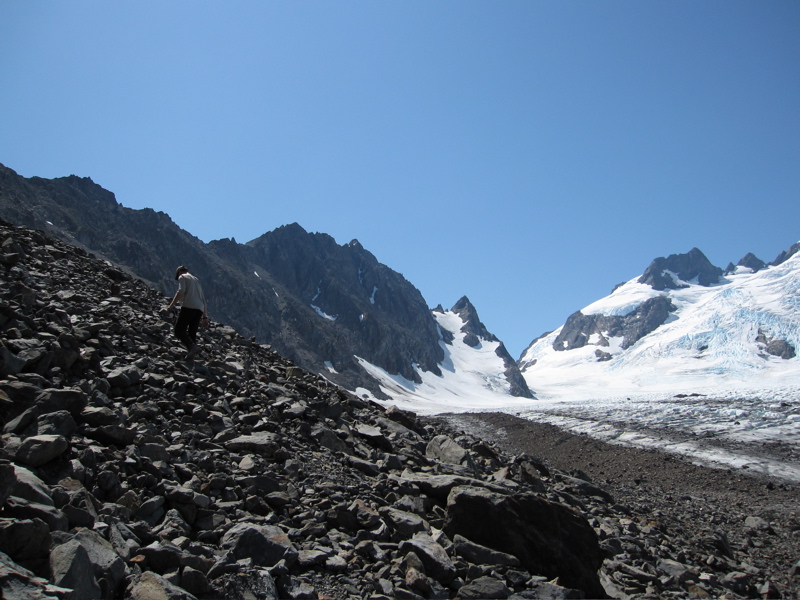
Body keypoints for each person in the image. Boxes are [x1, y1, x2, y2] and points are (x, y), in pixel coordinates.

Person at [165, 265, 208, 359]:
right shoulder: (196, 280)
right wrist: (205, 317)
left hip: (189, 306)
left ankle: (192, 347)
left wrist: (170, 307)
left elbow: (181, 291)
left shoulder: (183, 277)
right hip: (199, 309)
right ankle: (191, 356)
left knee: (179, 330)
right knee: (192, 333)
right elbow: (203, 299)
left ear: (179, 272)